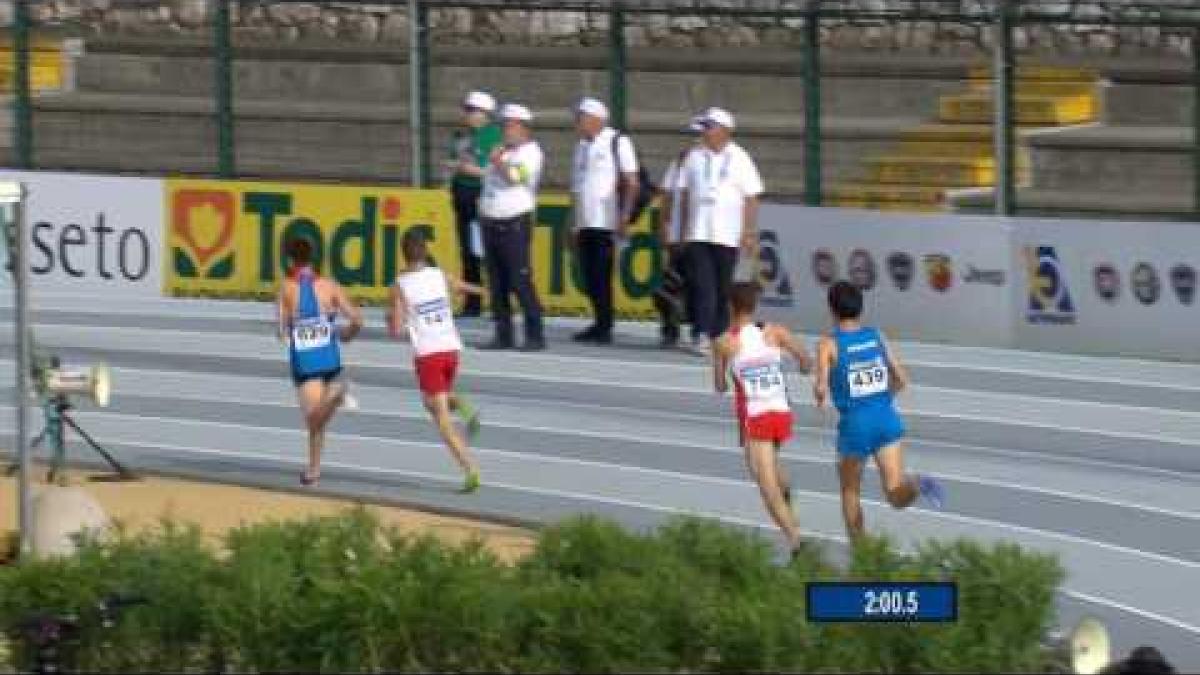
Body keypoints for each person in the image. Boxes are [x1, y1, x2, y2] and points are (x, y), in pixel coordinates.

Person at [812, 281, 945, 542]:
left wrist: (821, 396)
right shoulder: (876, 335)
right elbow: (902, 379)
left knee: (850, 492)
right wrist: (881, 398)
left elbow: (820, 389)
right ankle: (918, 484)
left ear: (832, 310)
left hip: (856, 426)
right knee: (896, 494)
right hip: (886, 419)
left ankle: (862, 557)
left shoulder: (827, 345)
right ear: (860, 308)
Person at [713, 281, 813, 556]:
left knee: (765, 484)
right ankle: (787, 491)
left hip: (756, 417)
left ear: (730, 307)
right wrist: (802, 367)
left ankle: (797, 544)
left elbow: (720, 386)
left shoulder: (724, 342)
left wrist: (725, 365)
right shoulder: (775, 331)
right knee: (768, 463)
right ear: (754, 306)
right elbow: (806, 361)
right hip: (782, 411)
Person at [388, 229, 483, 493]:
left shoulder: (399, 285)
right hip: (451, 350)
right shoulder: (438, 275)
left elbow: (395, 329)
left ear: (403, 254)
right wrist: (488, 291)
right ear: (426, 252)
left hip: (429, 354)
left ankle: (471, 471)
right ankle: (463, 406)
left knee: (441, 420)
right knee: (432, 403)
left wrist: (395, 317)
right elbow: (463, 287)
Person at [276, 237, 364, 487]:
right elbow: (357, 319)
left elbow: (281, 330)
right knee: (318, 423)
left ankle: (336, 396)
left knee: (314, 418)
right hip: (330, 358)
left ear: (289, 259)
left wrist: (288, 328)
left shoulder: (286, 288)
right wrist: (346, 335)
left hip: (306, 362)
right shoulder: (330, 286)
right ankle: (313, 471)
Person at [678, 107, 765, 356]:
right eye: (705, 127)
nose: (706, 132)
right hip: (699, 231)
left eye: (711, 127)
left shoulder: (741, 158)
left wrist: (748, 231)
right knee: (703, 284)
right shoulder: (694, 156)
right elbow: (684, 194)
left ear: (726, 131)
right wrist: (683, 228)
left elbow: (751, 197)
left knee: (723, 286)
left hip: (727, 233)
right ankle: (701, 332)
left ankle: (719, 332)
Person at [570, 96, 640, 345]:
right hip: (585, 220)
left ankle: (604, 325)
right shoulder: (581, 146)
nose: (577, 122)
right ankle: (599, 321)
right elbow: (576, 188)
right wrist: (573, 223)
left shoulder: (617, 141)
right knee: (588, 276)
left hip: (606, 220)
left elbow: (631, 181)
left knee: (601, 274)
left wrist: (624, 216)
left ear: (596, 119)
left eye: (581, 117)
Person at [478, 102, 546, 351]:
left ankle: (535, 333)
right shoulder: (503, 151)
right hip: (492, 222)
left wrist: (497, 162)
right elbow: (488, 180)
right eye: (503, 125)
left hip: (514, 223)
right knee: (497, 282)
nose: (504, 130)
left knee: (520, 279)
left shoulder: (532, 152)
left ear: (522, 127)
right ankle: (503, 333)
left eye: (508, 126)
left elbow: (516, 177)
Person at [446, 90, 502, 318]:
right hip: (462, 194)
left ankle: (499, 303)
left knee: (487, 251)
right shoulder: (462, 136)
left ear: (484, 113)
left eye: (471, 110)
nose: (466, 114)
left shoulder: (494, 136)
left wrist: (472, 170)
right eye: (466, 109)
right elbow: (455, 160)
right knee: (468, 251)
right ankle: (473, 302)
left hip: (481, 196)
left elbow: (496, 170)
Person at [654, 116, 702, 349]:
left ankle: (698, 332)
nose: (693, 140)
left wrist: (685, 234)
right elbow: (666, 195)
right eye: (691, 135)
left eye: (697, 135)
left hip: (697, 236)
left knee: (697, 287)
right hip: (675, 237)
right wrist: (663, 225)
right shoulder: (680, 161)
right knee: (666, 288)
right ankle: (669, 329)